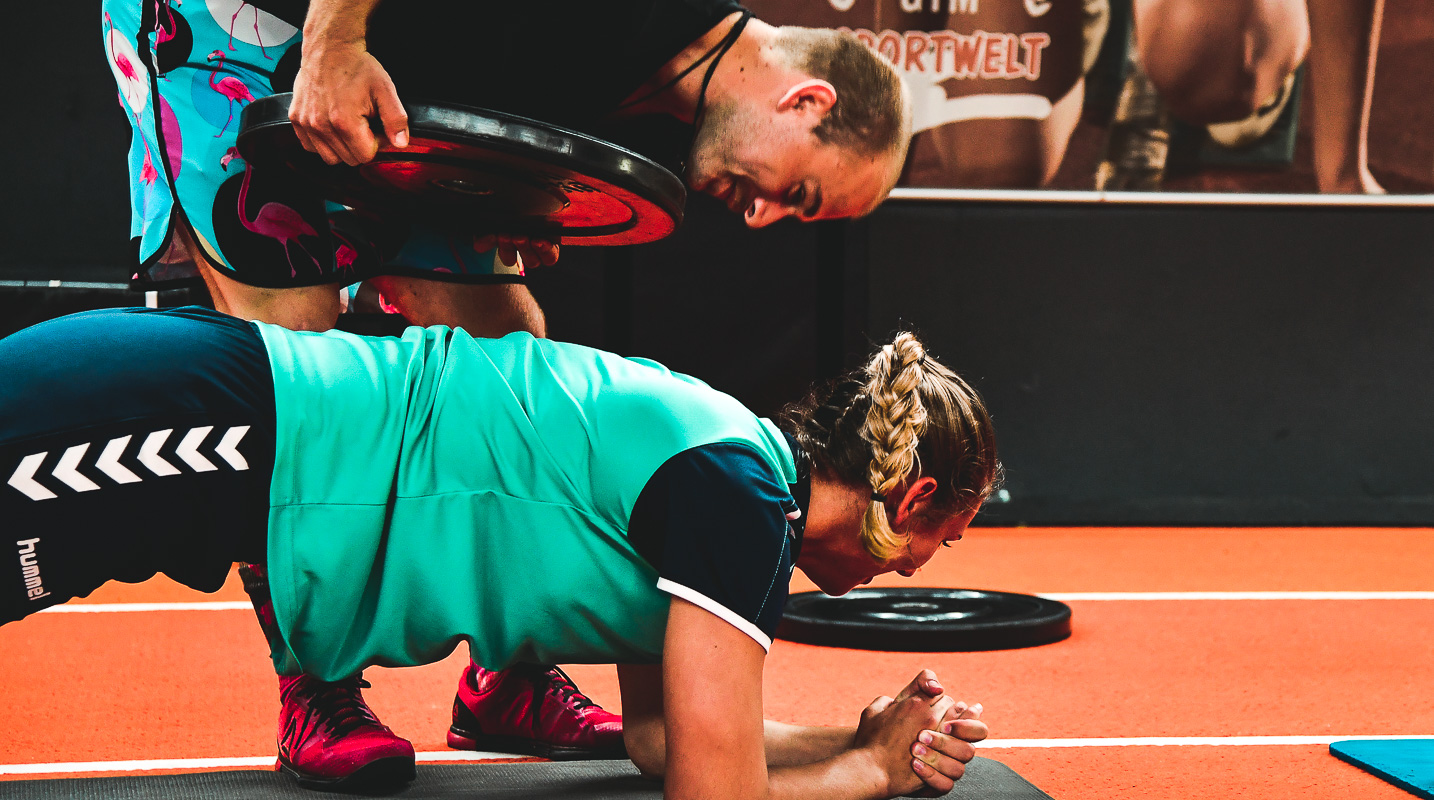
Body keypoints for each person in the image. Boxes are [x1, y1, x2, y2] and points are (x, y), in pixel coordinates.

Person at [105, 0, 912, 783]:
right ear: (806, 100)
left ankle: (509, 678)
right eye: (795, 192)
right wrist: (336, 35)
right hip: (251, 22)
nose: (764, 218)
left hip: (405, 83)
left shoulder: (670, 94)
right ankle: (315, 689)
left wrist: (526, 199)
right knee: (298, 357)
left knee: (514, 355)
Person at [1, 306, 999, 798]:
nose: (918, 568)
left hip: (236, 439)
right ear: (909, 497)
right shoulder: (737, 501)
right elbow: (715, 791)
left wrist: (850, 730)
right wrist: (871, 765)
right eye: (937, 539)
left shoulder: (730, 469)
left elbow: (668, 742)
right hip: (217, 425)